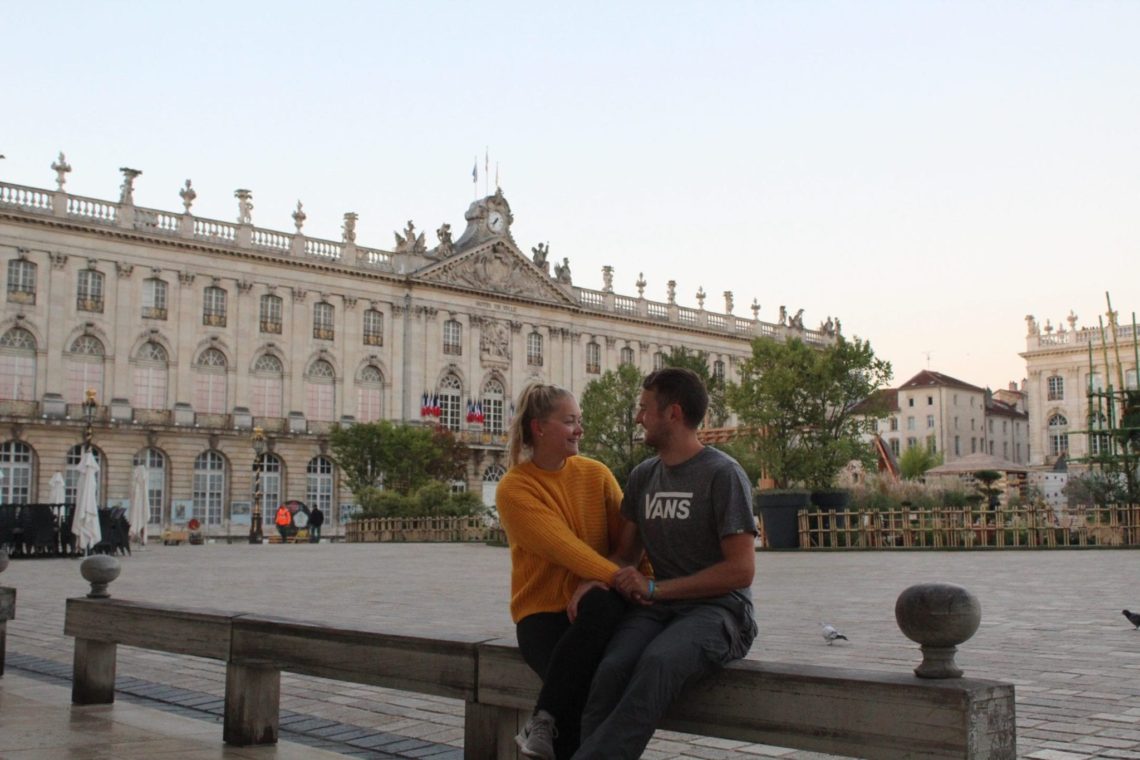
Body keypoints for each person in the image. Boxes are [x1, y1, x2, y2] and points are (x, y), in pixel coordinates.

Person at [573, 367, 758, 759]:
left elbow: (740, 571)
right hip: (660, 610)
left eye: (644, 409)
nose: (638, 417)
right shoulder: (643, 477)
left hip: (722, 612)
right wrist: (596, 578)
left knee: (657, 663)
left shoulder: (723, 475)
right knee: (611, 670)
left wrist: (657, 589)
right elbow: (625, 555)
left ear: (673, 413)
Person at [496, 384, 633, 760]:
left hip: (596, 609)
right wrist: (626, 581)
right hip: (542, 615)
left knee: (601, 608)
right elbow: (564, 548)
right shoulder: (515, 488)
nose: (580, 430)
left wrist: (631, 579)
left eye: (580, 421)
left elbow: (632, 540)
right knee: (585, 693)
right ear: (539, 428)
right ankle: (548, 725)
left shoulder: (596, 473)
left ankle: (543, 720)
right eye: (570, 421)